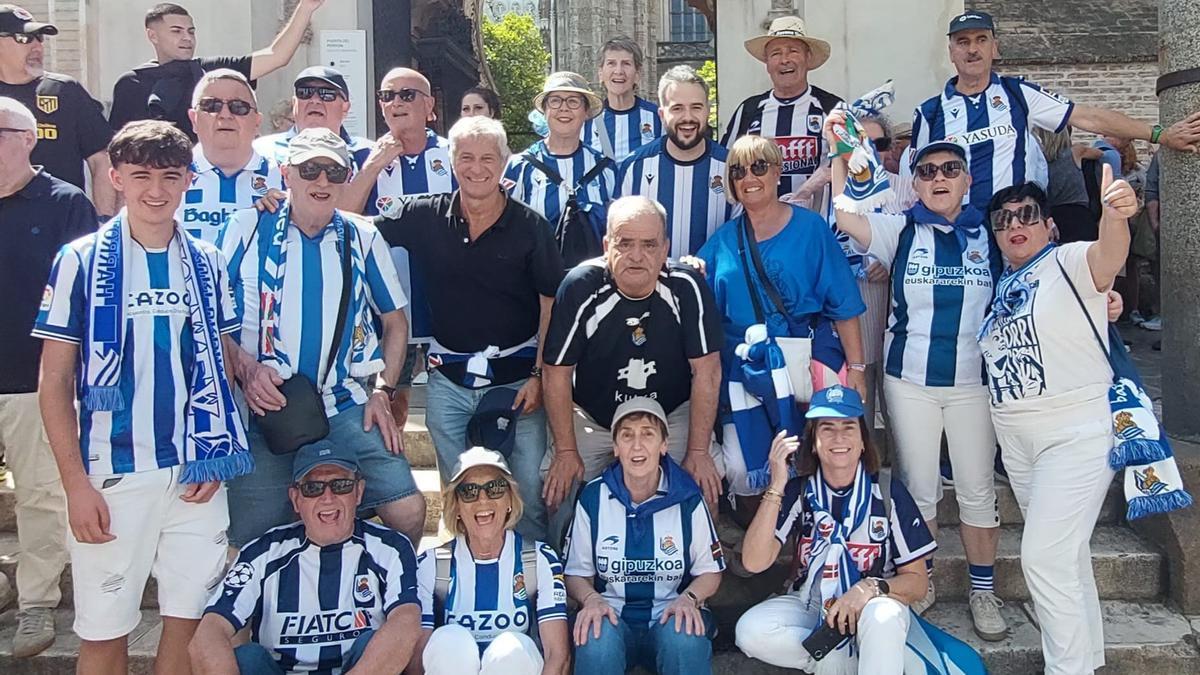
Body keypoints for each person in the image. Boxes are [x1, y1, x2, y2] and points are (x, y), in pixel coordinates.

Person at [34, 120, 252, 675]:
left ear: (188, 181)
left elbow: (220, 363)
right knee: (104, 630)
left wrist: (216, 452)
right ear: (116, 178)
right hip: (113, 472)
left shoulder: (208, 261)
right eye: (141, 176)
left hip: (195, 473)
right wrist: (75, 485)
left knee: (188, 623)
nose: (156, 190)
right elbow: (53, 382)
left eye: (170, 177)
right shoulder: (80, 260)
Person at [829, 120, 1009, 638]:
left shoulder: (992, 232)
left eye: (950, 169)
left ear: (967, 179)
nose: (939, 178)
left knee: (976, 488)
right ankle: (921, 581)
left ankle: (983, 590)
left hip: (974, 382)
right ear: (916, 182)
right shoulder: (901, 229)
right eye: (927, 171)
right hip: (910, 382)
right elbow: (845, 215)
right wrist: (842, 151)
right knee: (920, 489)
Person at [219, 128, 426, 547]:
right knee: (249, 536)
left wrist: (383, 391)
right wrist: (246, 369)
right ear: (286, 173)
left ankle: (376, 578)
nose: (322, 181)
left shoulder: (361, 236)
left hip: (344, 403)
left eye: (334, 171)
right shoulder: (246, 227)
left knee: (407, 509)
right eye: (310, 169)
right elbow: (213, 321)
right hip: (264, 407)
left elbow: (395, 322)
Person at [374, 115, 564, 542]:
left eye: (487, 159)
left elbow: (551, 304)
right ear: (451, 161)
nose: (477, 169)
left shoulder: (531, 226)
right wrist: (287, 201)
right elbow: (353, 225)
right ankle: (467, 573)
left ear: (504, 163)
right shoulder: (424, 214)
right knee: (459, 495)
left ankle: (535, 575)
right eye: (466, 158)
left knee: (527, 492)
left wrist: (538, 376)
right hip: (448, 380)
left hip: (517, 381)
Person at [977, 173, 1137, 674]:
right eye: (1003, 220)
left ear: (1048, 225)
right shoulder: (1003, 284)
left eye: (1026, 215)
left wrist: (1115, 216)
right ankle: (1085, 663)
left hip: (1074, 431)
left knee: (1044, 558)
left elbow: (1107, 258)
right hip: (1018, 438)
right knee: (1066, 558)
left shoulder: (1066, 262)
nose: (1014, 225)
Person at [542, 196, 726, 542]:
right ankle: (564, 572)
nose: (637, 256)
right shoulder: (581, 285)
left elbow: (708, 371)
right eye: (625, 243)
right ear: (606, 245)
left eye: (649, 244)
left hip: (669, 415)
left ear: (665, 248)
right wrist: (566, 452)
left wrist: (699, 452)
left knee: (705, 485)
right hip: (597, 418)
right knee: (558, 491)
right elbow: (556, 372)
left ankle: (699, 570)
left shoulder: (685, 286)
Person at [696, 134, 866, 503]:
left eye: (759, 166)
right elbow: (697, 295)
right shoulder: (722, 241)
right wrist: (689, 267)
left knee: (812, 453)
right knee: (742, 466)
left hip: (804, 364)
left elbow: (844, 303)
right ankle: (763, 528)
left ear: (777, 172)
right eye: (738, 171)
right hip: (745, 372)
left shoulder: (810, 229)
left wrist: (857, 368)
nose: (749, 177)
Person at [910, 10, 1200, 212]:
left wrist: (1160, 135)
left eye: (981, 40)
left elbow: (1088, 117)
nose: (972, 49)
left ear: (995, 48)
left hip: (1012, 230)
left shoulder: (1018, 93)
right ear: (951, 52)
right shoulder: (929, 113)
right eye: (963, 42)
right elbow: (916, 185)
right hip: (955, 236)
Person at [734, 385, 935, 674]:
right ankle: (845, 662)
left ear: (863, 441)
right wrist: (776, 484)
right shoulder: (799, 491)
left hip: (872, 603)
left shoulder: (887, 492)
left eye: (848, 427)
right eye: (827, 428)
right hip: (812, 601)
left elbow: (918, 583)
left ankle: (861, 657)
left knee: (884, 616)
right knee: (751, 631)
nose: (838, 438)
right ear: (813, 442)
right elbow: (754, 561)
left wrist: (870, 588)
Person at [0, 96, 97, 658]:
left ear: (28, 138)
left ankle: (35, 603)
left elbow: (85, 300)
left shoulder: (65, 203)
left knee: (39, 496)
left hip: (32, 380)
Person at [189, 442, 422, 675]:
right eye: (313, 488)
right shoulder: (263, 552)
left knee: (372, 641)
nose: (328, 498)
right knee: (248, 658)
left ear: (358, 492)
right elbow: (211, 630)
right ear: (296, 498)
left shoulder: (391, 548)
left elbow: (407, 621)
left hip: (358, 670)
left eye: (341, 485)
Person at [565, 397, 724, 675]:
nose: (637, 446)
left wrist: (689, 598)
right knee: (594, 635)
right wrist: (590, 599)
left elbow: (711, 571)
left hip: (668, 616)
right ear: (615, 447)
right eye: (627, 435)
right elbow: (575, 573)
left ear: (664, 445)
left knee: (685, 635)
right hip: (613, 618)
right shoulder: (593, 497)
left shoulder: (688, 498)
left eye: (648, 434)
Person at [411, 447, 570, 675]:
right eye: (469, 492)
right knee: (450, 641)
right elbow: (417, 661)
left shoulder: (539, 559)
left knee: (512, 649)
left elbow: (558, 656)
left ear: (510, 499)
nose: (483, 500)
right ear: (456, 506)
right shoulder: (430, 564)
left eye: (495, 488)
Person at [109, 1, 325, 140]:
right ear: (152, 36)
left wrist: (305, 7)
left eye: (191, 32)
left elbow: (276, 56)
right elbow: (118, 148)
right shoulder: (132, 84)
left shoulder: (211, 72)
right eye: (176, 31)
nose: (187, 38)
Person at [0, 5, 116, 215]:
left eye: (40, 38)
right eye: (25, 38)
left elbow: (100, 158)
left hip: (60, 216)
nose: (37, 46)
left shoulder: (64, 90)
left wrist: (104, 220)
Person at [617, 65, 738, 258]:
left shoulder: (732, 167)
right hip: (651, 277)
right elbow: (619, 238)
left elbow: (741, 238)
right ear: (662, 115)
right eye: (677, 108)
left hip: (712, 277)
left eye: (696, 107)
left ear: (708, 111)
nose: (687, 117)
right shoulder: (635, 167)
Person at [719, 16, 841, 205]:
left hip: (817, 219)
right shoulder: (748, 110)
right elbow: (725, 164)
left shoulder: (832, 108)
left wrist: (812, 186)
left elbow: (853, 162)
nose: (785, 60)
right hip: (759, 220)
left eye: (793, 51)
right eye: (776, 53)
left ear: (808, 58)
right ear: (767, 63)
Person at [504, 71, 616, 244]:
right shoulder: (520, 166)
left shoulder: (605, 168)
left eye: (573, 101)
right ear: (544, 110)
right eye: (555, 101)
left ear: (586, 112)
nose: (564, 108)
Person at [176, 69, 282, 244]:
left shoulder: (286, 179)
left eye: (238, 107)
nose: (225, 115)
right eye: (211, 106)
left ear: (257, 122)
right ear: (193, 119)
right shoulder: (168, 176)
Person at [252, 66, 374, 172]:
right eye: (305, 92)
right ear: (294, 104)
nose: (315, 100)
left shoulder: (369, 154)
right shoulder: (261, 151)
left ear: (345, 108)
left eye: (327, 94)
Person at [582, 37, 661, 163]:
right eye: (611, 63)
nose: (618, 71)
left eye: (626, 63)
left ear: (637, 73)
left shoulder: (658, 118)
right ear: (600, 73)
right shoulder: (586, 121)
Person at [1033, 126, 1099, 244]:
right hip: (1079, 215)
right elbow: (1100, 154)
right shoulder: (1075, 152)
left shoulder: (1038, 161)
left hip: (1052, 217)